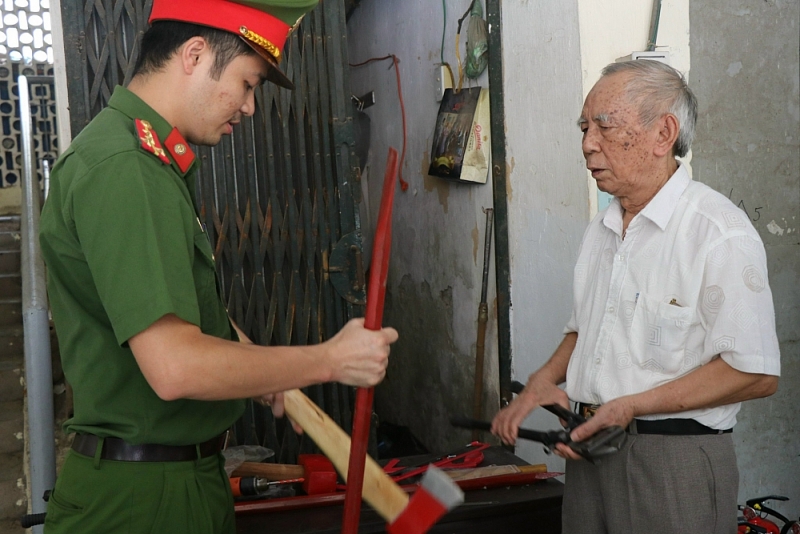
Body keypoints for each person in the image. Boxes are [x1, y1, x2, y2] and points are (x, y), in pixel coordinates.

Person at [38, 1, 398, 533]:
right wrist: (328, 360)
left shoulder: (146, 161)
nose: (250, 107)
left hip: (171, 483)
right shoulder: (125, 170)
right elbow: (175, 366)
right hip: (146, 504)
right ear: (195, 53)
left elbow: (182, 312)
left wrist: (254, 365)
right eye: (248, 83)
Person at [492, 60, 780, 534]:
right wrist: (543, 380)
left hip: (672, 463)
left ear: (663, 133)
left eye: (605, 126)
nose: (588, 144)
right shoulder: (603, 230)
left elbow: (755, 373)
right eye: (585, 127)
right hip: (589, 454)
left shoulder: (717, 233)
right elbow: (586, 328)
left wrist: (630, 406)